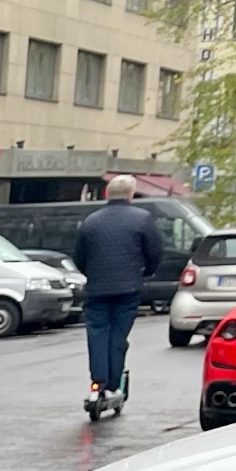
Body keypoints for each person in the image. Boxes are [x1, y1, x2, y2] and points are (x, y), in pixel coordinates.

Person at [72, 177, 162, 413]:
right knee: (118, 336)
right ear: (131, 195)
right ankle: (113, 383)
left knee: (97, 334)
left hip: (97, 289)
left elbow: (79, 257)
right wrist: (146, 273)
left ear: (106, 194)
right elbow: (154, 252)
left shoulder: (91, 222)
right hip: (128, 289)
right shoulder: (142, 219)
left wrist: (91, 273)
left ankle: (97, 382)